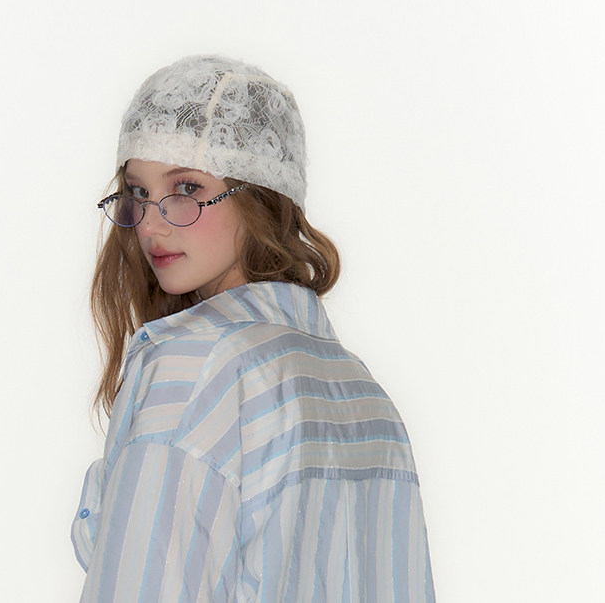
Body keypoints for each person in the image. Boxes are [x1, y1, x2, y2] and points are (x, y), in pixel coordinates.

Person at [71, 55, 435, 602]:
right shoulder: (363, 395)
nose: (150, 224)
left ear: (259, 192)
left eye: (186, 187)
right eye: (138, 192)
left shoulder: (193, 369)